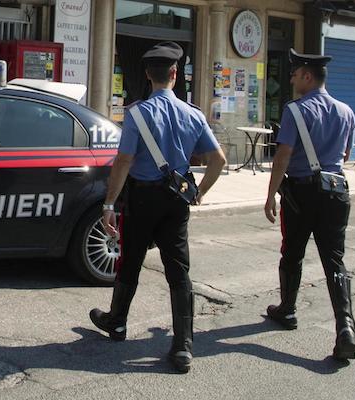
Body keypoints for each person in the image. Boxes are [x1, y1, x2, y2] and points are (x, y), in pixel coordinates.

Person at [89, 42, 227, 374]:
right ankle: (182, 347)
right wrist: (199, 194)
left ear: (148, 75)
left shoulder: (136, 113)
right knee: (178, 272)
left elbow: (123, 161)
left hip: (141, 199)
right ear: (175, 74)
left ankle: (117, 322)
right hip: (175, 201)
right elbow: (218, 160)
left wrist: (109, 203)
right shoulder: (193, 114)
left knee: (131, 261)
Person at [263, 49, 355, 361]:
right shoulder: (346, 111)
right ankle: (346, 327)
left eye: (294, 73)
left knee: (293, 252)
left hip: (303, 192)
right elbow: (344, 156)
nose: (290, 79)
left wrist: (270, 194)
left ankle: (287, 310)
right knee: (334, 260)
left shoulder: (295, 111)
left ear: (307, 76)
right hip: (337, 191)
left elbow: (283, 157)